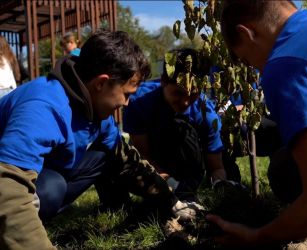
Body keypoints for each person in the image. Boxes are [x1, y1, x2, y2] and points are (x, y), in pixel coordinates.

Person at [0, 30, 203, 250]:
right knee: (50, 189)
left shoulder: (95, 107)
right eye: (126, 94)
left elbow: (127, 162)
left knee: (107, 154)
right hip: (9, 179)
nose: (127, 103)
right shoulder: (43, 107)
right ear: (101, 83)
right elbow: (7, 188)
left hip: (39, 171)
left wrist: (171, 202)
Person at [206, 0, 307, 246]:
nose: (256, 70)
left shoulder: (284, 62)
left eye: (247, 61)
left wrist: (259, 236)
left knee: (284, 172)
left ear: (246, 32)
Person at [123, 48, 241, 203]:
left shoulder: (206, 113)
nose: (185, 102)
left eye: (193, 94)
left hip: (191, 163)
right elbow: (143, 155)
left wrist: (219, 183)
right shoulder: (138, 102)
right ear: (164, 81)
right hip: (155, 160)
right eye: (178, 93)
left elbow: (216, 167)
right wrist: (170, 184)